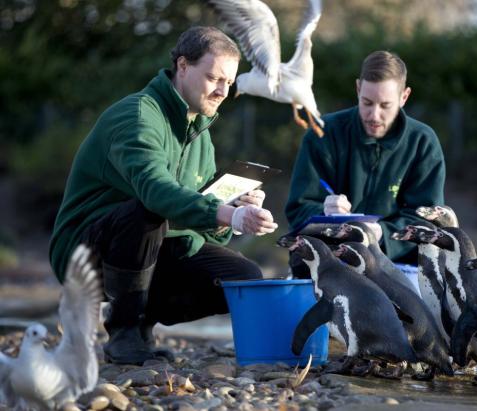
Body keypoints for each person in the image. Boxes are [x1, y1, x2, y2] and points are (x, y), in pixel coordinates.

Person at [49, 26, 278, 365]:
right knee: (147, 211)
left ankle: (142, 324)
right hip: (83, 252)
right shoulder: (138, 116)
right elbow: (156, 192)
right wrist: (226, 214)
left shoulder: (201, 132)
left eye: (228, 83)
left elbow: (197, 221)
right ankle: (124, 331)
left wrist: (231, 211)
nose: (222, 91)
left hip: (154, 246)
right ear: (183, 66)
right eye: (214, 78)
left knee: (243, 279)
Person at [285, 50, 445, 264]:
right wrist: (323, 212)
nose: (374, 115)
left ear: (404, 97)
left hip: (396, 263)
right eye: (367, 103)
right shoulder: (322, 133)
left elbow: (427, 220)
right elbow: (298, 209)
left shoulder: (423, 141)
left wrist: (380, 234)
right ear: (358, 88)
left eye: (385, 105)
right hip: (328, 261)